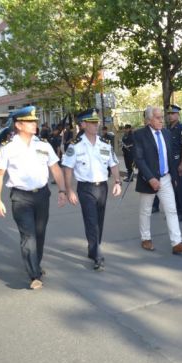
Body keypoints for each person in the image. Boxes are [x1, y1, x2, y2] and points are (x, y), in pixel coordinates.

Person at [0, 106, 67, 290]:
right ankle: (34, 274)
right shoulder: (8, 148)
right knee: (28, 236)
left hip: (42, 195)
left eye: (35, 121)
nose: (35, 124)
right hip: (20, 197)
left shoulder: (43, 144)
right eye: (30, 121)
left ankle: (36, 264)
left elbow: (55, 169)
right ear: (19, 125)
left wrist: (62, 190)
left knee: (39, 234)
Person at [61, 109, 122, 271]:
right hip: (85, 188)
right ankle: (97, 255)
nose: (96, 125)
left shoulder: (105, 144)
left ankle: (93, 248)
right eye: (92, 123)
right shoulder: (75, 146)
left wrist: (117, 181)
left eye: (97, 122)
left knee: (99, 220)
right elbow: (67, 168)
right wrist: (69, 190)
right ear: (83, 125)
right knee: (91, 220)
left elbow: (113, 164)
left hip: (102, 187)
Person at [132, 106, 182, 254]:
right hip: (149, 180)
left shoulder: (166, 133)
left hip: (166, 178)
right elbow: (139, 159)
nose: (162, 120)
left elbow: (170, 156)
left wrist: (174, 176)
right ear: (148, 120)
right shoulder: (139, 135)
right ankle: (146, 239)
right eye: (158, 118)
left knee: (171, 210)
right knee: (146, 211)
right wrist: (151, 178)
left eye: (162, 117)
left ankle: (177, 243)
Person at [153, 105, 182, 220]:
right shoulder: (167, 128)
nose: (170, 115)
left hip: (178, 161)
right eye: (169, 113)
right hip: (169, 162)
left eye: (173, 113)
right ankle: (174, 212)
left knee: (180, 188)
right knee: (171, 188)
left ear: (178, 114)